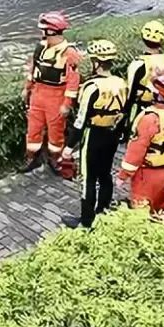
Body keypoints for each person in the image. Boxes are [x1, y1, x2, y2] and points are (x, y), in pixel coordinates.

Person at [62, 39, 129, 228]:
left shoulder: (92, 87)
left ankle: (86, 221)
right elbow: (124, 111)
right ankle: (103, 211)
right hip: (112, 135)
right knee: (105, 174)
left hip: (93, 136)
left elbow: (81, 120)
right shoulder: (121, 83)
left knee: (88, 179)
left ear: (96, 63)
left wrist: (68, 147)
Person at [118, 72, 164, 217]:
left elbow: (136, 151)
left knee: (140, 212)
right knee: (162, 209)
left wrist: (123, 175)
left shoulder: (150, 118)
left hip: (148, 175)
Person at [21, 11, 82, 174]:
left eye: (43, 29)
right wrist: (27, 88)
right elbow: (33, 69)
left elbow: (73, 81)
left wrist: (66, 104)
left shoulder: (69, 53)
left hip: (57, 96)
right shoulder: (40, 47)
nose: (41, 32)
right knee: (33, 129)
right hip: (38, 93)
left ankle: (55, 159)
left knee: (56, 132)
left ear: (50, 31)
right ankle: (32, 158)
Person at [123, 20, 164, 133]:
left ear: (143, 39)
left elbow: (130, 93)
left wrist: (124, 117)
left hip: (142, 108)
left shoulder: (138, 63)